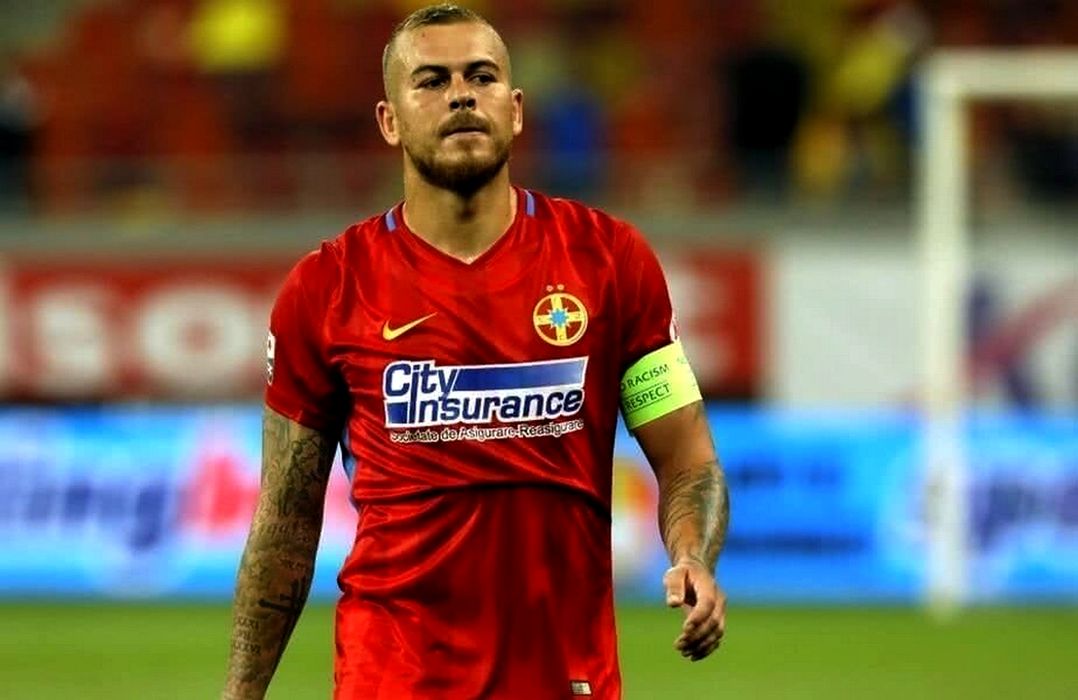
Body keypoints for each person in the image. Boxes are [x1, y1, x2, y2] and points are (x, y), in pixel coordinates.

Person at [222, 4, 729, 699]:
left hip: (563, 679)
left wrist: (693, 555)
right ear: (389, 121)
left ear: (515, 110)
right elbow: (284, 522)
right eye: (432, 80)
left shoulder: (610, 261)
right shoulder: (327, 287)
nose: (461, 94)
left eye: (481, 76)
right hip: (390, 681)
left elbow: (688, 459)